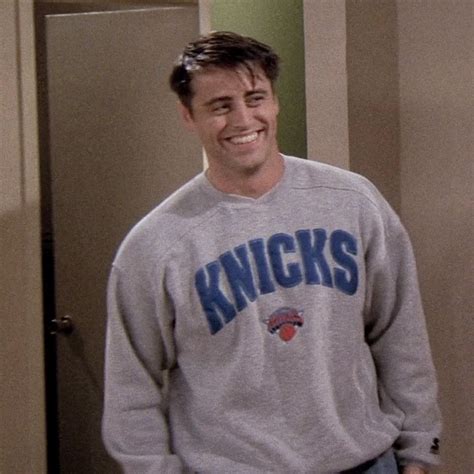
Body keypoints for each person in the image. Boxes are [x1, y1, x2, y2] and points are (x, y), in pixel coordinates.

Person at [102, 31, 441, 473]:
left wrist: (419, 453)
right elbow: (131, 391)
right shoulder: (155, 245)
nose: (243, 119)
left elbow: (401, 337)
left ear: (275, 102)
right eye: (220, 106)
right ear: (188, 115)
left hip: (364, 462)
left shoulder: (353, 203)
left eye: (255, 98)